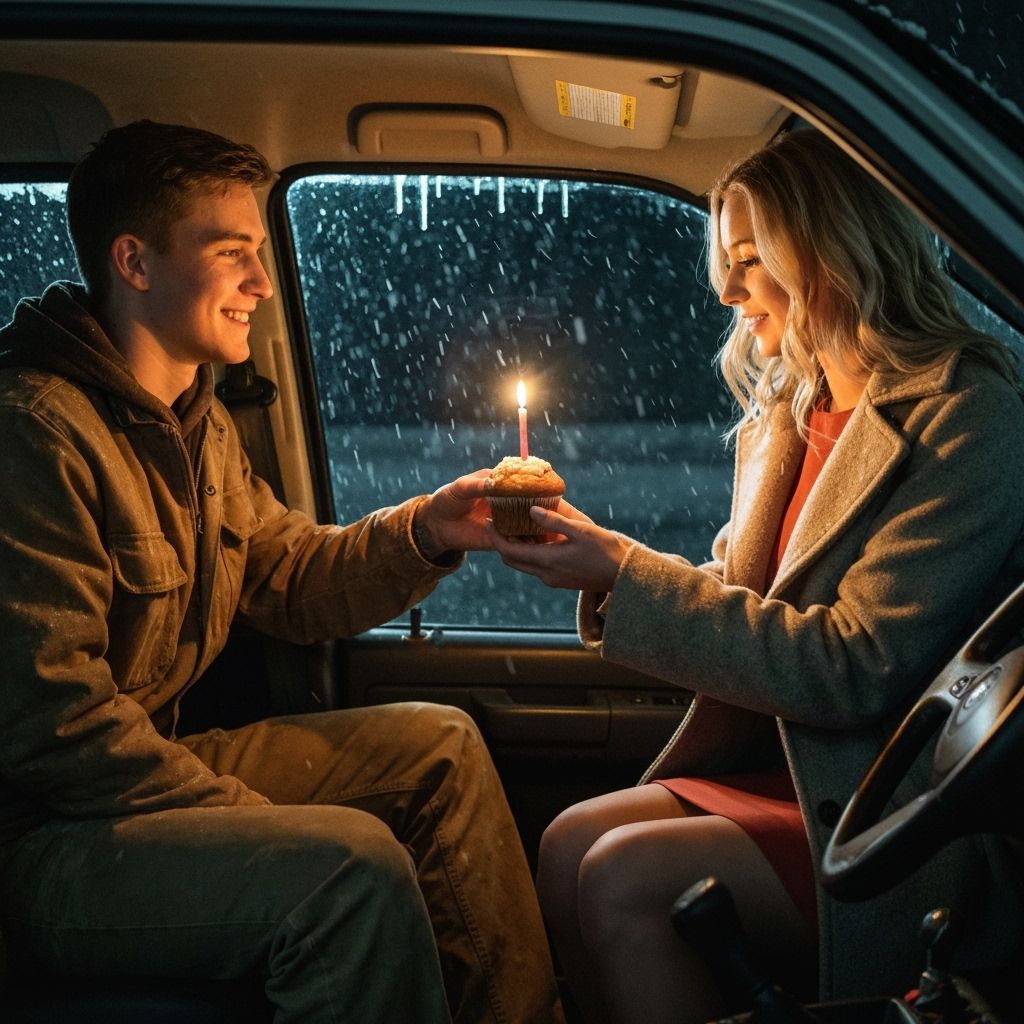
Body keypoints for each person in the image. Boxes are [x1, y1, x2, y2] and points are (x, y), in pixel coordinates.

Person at [0, 119, 565, 1024]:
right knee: (350, 869)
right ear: (134, 262)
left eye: (260, 254)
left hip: (139, 784)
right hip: (43, 841)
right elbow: (53, 728)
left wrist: (429, 530)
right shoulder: (34, 434)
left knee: (443, 746)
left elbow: (292, 576)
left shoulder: (196, 426)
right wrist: (237, 810)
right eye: (233, 253)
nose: (261, 283)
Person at [488, 129, 1024, 1024]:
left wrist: (626, 571)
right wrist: (606, 565)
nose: (727, 290)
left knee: (621, 876)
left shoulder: (966, 415)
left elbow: (852, 667)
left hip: (900, 808)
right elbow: (744, 592)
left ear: (833, 251)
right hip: (790, 768)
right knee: (566, 841)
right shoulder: (792, 409)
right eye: (725, 263)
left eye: (747, 260)